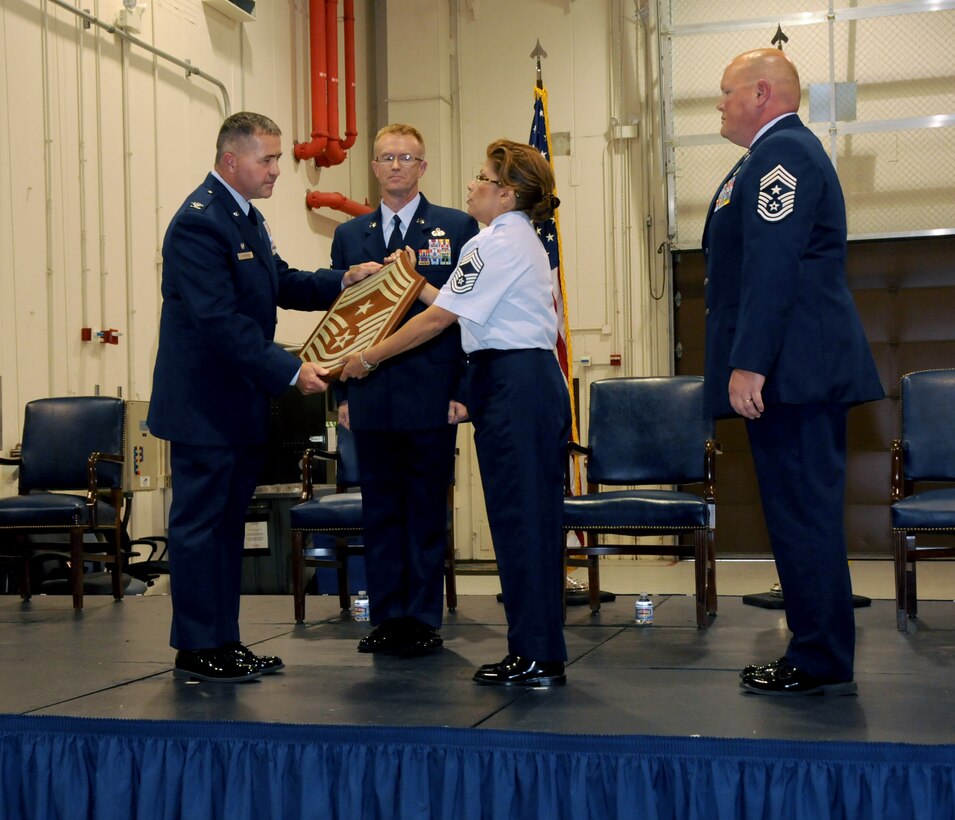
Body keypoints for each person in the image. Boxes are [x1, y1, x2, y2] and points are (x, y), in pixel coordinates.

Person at [148, 112, 377, 683]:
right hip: (205, 407)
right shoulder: (199, 223)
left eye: (277, 158)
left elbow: (281, 280)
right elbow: (218, 322)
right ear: (232, 161)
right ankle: (199, 646)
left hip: (238, 404)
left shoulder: (244, 217)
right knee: (202, 528)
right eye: (268, 160)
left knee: (226, 527)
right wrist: (290, 369)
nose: (278, 169)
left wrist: (343, 280)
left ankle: (223, 641)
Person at [341, 139, 570, 688]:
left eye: (482, 177)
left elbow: (438, 321)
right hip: (509, 380)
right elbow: (446, 301)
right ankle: (531, 647)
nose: (471, 185)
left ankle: (538, 651)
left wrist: (366, 358)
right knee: (516, 520)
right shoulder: (502, 238)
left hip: (517, 380)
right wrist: (409, 280)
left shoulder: (497, 243)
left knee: (525, 520)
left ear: (506, 193)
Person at [702, 49, 884, 696]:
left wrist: (748, 362)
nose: (718, 104)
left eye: (725, 92)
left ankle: (818, 657)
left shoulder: (784, 156)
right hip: (792, 371)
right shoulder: (764, 158)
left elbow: (772, 267)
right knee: (795, 515)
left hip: (794, 372)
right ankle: (816, 651)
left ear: (760, 93)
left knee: (803, 516)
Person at [324, 124, 478, 656]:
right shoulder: (351, 236)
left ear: (423, 167)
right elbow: (337, 322)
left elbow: (467, 317)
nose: (396, 166)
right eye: (386, 157)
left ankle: (422, 618)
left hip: (433, 390)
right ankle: (387, 615)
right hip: (368, 392)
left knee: (426, 508)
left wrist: (464, 389)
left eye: (407, 157)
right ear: (372, 166)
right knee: (381, 510)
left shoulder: (455, 227)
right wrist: (339, 396)